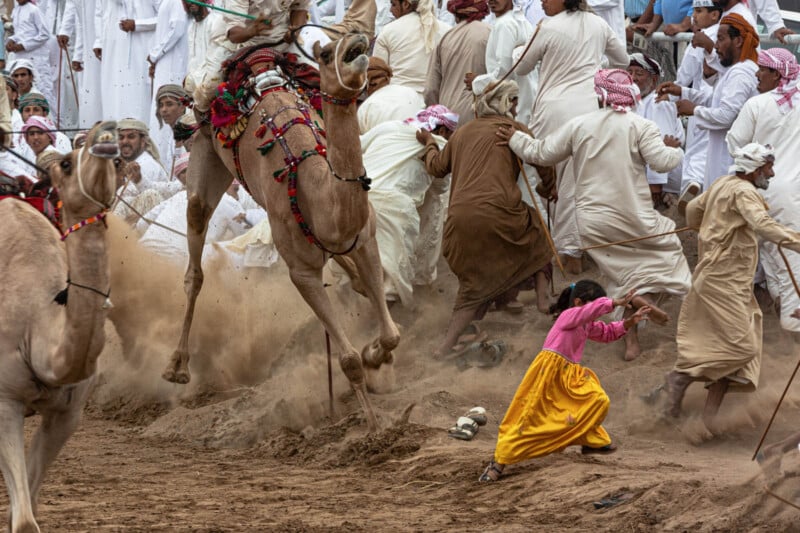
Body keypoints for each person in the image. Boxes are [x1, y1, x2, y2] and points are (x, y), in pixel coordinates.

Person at [501, 69, 691, 361]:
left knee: (623, 276)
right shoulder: (641, 126)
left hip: (592, 224)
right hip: (635, 218)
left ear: (599, 95)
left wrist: (515, 138)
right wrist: (676, 150)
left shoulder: (579, 125)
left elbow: (539, 153)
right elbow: (663, 162)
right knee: (668, 254)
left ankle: (632, 338)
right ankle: (645, 302)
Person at [663, 144, 800, 430]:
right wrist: (796, 241)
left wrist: (710, 229)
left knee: (738, 355)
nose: (771, 173)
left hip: (731, 281)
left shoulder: (722, 183)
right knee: (743, 348)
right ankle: (681, 377)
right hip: (721, 282)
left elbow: (691, 213)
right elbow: (762, 224)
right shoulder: (744, 191)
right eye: (767, 168)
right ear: (753, 169)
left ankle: (708, 421)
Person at [417, 80, 553, 358]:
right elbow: (543, 161)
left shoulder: (462, 132)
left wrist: (430, 144)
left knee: (472, 287)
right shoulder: (513, 130)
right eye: (513, 102)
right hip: (501, 213)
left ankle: (446, 345)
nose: (516, 107)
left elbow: (436, 167)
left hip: (458, 221)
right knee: (538, 234)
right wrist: (548, 187)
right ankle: (543, 298)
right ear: (504, 103)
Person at [478, 281, 651, 482]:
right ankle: (499, 462)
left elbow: (606, 333)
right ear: (578, 302)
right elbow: (589, 312)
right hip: (547, 374)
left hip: (569, 376)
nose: (596, 312)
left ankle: (588, 439)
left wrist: (629, 322)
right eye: (593, 305)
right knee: (527, 419)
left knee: (598, 399)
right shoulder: (568, 316)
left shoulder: (586, 324)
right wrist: (615, 302)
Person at [513, 0, 628, 273]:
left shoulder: (547, 27)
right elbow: (622, 60)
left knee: (541, 177)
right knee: (573, 184)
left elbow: (521, 67)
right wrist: (595, 67)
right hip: (589, 111)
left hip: (553, 111)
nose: (542, 1)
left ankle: (556, 251)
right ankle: (571, 250)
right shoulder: (598, 24)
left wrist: (520, 46)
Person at [727, 49, 800, 339]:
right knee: (784, 257)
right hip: (795, 191)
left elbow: (736, 146)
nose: (757, 75)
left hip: (770, 191)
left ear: (776, 74)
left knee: (781, 261)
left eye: (763, 70)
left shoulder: (757, 104)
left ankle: (792, 329)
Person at [356, 105, 457, 305]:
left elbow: (357, 145)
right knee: (395, 272)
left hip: (358, 195)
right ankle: (394, 312)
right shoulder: (441, 145)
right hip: (393, 205)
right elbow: (440, 187)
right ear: (444, 130)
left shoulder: (390, 127)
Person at [658, 12, 758, 210]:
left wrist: (694, 110)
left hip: (729, 157)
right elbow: (715, 101)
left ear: (738, 41)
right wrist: (683, 92)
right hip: (720, 153)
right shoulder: (733, 71)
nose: (716, 46)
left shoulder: (741, 74)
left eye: (720, 39)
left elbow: (726, 115)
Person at [628, 52, 684, 208]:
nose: (633, 78)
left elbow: (662, 147)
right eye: (630, 72)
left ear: (653, 80)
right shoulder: (636, 103)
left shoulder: (658, 102)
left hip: (663, 189)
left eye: (639, 73)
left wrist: (655, 192)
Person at [469, 0, 537, 127]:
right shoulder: (522, 21)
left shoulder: (504, 24)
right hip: (527, 100)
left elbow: (504, 72)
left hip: (512, 106)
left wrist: (477, 82)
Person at [423, 0, 489, 127]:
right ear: (482, 12)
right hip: (478, 116)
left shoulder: (445, 38)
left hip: (447, 117)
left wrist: (437, 116)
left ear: (456, 15)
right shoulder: (490, 33)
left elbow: (430, 89)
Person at [93, 0, 158, 125]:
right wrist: (99, 40)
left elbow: (166, 18)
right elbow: (100, 12)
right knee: (113, 93)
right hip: (112, 47)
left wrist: (138, 24)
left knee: (139, 96)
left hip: (143, 48)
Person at [372, 0, 450, 94]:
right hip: (434, 102)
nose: (390, 10)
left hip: (396, 98)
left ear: (405, 4)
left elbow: (376, 74)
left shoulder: (388, 31)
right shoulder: (447, 32)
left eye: (393, 4)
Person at [6, 0, 55, 107]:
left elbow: (45, 34)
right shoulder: (16, 10)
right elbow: (20, 33)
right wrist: (11, 40)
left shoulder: (34, 10)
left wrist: (23, 45)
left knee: (43, 90)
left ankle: (50, 121)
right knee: (21, 90)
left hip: (37, 58)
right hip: (21, 58)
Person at [358, 57, 425, 134]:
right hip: (417, 143)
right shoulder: (411, 92)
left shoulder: (366, 107)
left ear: (364, 84)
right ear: (388, 77)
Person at [147, 0, 189, 119]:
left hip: (173, 63)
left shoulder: (177, 2)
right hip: (164, 62)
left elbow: (176, 30)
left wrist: (154, 55)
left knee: (170, 106)